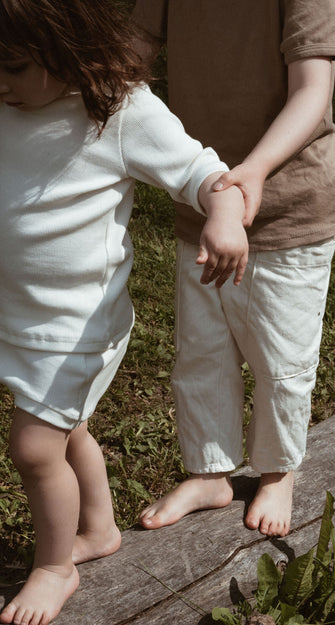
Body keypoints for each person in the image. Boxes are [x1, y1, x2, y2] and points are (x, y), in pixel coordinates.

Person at [0, 0, 248, 622]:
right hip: (18, 314)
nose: (0, 81)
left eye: (15, 66)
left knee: (33, 447)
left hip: (78, 324)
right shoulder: (9, 100)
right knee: (65, 428)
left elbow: (203, 171)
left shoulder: (117, 110)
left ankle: (55, 568)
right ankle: (98, 528)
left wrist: (223, 216)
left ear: (67, 47)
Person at [133, 0, 335, 538]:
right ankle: (210, 471)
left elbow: (312, 90)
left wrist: (251, 172)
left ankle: (278, 472)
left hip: (287, 203)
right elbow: (131, 54)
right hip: (202, 202)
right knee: (202, 352)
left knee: (281, 356)